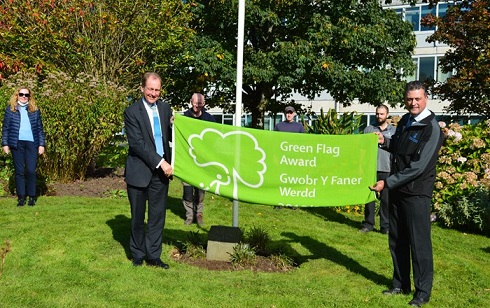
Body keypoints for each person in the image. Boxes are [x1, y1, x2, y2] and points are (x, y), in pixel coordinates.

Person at [370, 81, 443, 307]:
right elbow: (400, 148)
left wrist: (387, 182)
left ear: (426, 98)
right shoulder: (405, 120)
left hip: (416, 194)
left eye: (417, 98)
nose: (413, 103)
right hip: (397, 190)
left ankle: (422, 293)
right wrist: (385, 141)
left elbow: (418, 166)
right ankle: (400, 284)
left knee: (418, 244)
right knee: (397, 240)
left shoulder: (431, 128)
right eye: (410, 99)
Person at [124, 72, 173, 269]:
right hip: (139, 171)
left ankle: (153, 255)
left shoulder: (165, 108)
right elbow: (138, 144)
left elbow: (169, 136)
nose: (153, 93)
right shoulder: (132, 112)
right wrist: (161, 162)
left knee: (157, 217)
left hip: (160, 175)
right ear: (142, 88)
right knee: (137, 217)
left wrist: (177, 125)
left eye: (157, 90)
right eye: (150, 89)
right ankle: (137, 254)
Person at [2, 87, 45, 207]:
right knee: (19, 171)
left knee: (31, 171)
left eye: (26, 95)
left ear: (29, 97)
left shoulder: (34, 111)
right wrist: (5, 144)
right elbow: (6, 128)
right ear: (17, 95)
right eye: (21, 94)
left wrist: (41, 144)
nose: (24, 96)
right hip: (17, 143)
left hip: (32, 143)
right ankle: (21, 197)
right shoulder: (11, 110)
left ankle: (32, 197)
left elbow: (40, 129)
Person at [359, 104, 395, 234]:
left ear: (387, 115)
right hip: (370, 168)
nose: (379, 116)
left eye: (382, 114)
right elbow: (362, 148)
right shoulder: (369, 129)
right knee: (369, 198)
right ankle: (368, 224)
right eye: (377, 113)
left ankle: (385, 226)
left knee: (386, 200)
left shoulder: (394, 131)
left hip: (387, 169)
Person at [182, 93, 215, 226]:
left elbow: (215, 137)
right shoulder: (184, 117)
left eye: (200, 103)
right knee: (188, 190)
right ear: (191, 102)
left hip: (203, 160)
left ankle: (199, 214)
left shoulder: (209, 119)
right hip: (187, 159)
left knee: (201, 189)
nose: (197, 106)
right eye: (195, 103)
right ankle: (189, 216)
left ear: (204, 104)